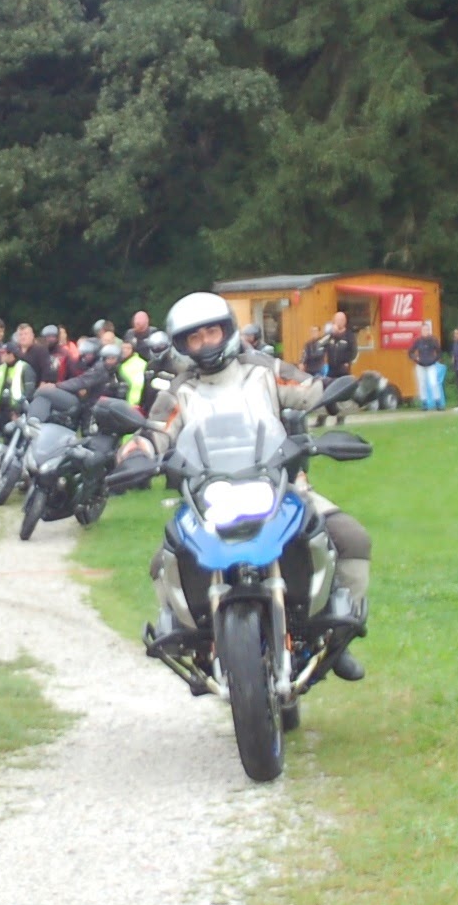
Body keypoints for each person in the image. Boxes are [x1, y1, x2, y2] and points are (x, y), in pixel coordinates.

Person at [147, 291, 373, 682]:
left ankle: (338, 639)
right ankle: (190, 639)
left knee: (351, 538)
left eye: (211, 332)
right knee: (163, 561)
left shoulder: (265, 369)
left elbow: (311, 391)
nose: (205, 343)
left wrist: (353, 393)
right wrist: (136, 452)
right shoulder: (177, 391)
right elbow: (155, 431)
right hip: (209, 495)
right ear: (182, 345)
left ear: (227, 331)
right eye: (194, 338)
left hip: (279, 484)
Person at [410, 325, 446, 410]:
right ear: (421, 331)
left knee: (434, 383)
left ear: (429, 331)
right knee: (422, 384)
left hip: (431, 365)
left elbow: (439, 352)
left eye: (426, 330)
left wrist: (434, 359)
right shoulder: (418, 341)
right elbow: (410, 352)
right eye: (423, 330)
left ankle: (438, 402)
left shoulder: (433, 341)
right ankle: (424, 403)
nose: (425, 331)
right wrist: (416, 358)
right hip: (420, 365)